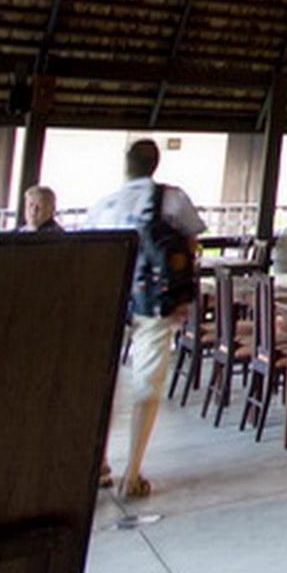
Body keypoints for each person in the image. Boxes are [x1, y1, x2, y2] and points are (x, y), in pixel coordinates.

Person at [85, 139, 204, 499]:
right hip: (154, 303)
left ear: (127, 165)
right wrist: (183, 298)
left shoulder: (105, 205)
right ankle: (131, 474)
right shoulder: (172, 199)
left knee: (102, 385)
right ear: (156, 164)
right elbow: (191, 247)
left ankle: (98, 464)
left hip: (110, 302)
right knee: (147, 386)